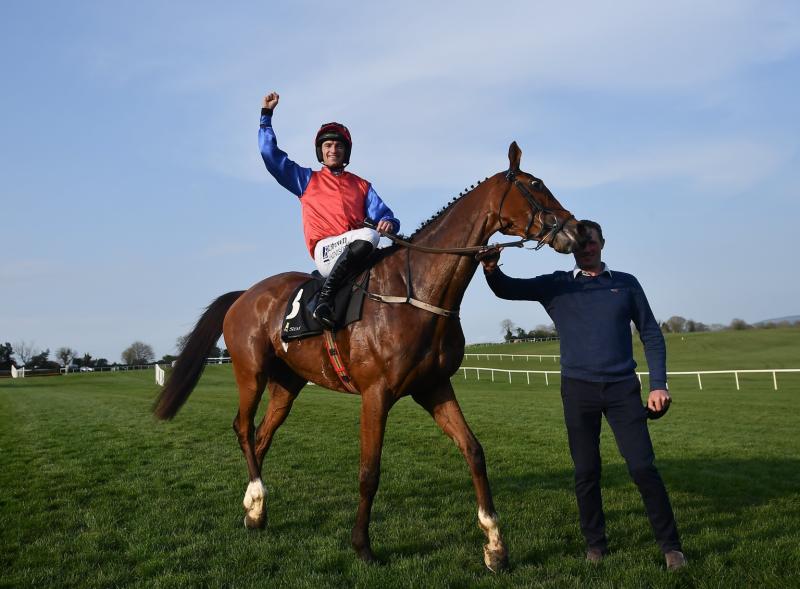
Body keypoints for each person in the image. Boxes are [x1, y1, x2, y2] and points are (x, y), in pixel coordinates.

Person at [477, 220, 687, 571]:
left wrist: (658, 384)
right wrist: (490, 268)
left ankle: (671, 547)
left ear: (602, 243)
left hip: (622, 389)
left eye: (591, 242)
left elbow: (651, 333)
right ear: (570, 247)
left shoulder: (626, 283)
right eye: (579, 244)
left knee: (642, 468)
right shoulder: (557, 285)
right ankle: (595, 545)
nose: (586, 248)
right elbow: (507, 290)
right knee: (586, 471)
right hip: (578, 390)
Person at [259, 91, 400, 329]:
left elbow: (386, 216)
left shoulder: (362, 185)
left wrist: (389, 222)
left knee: (391, 252)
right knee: (370, 235)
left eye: (338, 146)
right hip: (326, 251)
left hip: (356, 248)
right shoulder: (305, 180)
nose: (333, 149)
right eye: (327, 145)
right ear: (321, 151)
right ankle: (324, 299)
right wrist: (266, 116)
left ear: (346, 152)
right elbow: (270, 155)